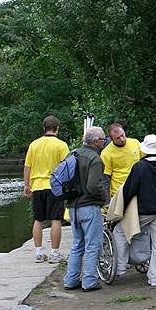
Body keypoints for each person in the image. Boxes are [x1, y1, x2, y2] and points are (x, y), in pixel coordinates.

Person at [118, 134, 156, 287]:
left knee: (120, 230)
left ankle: (120, 266)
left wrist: (122, 210)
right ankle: (155, 278)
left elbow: (129, 190)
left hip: (143, 210)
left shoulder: (140, 166)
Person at [63, 126, 107, 292]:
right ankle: (89, 281)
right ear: (96, 142)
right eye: (103, 140)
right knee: (93, 245)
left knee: (77, 245)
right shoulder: (95, 159)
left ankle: (71, 279)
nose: (104, 142)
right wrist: (103, 199)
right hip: (89, 206)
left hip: (73, 207)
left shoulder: (74, 154)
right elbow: (94, 186)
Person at [23, 115, 70, 264]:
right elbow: (67, 166)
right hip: (54, 186)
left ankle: (38, 252)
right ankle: (54, 253)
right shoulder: (61, 145)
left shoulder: (34, 144)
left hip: (37, 186)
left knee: (38, 219)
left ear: (44, 128)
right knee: (55, 219)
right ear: (57, 128)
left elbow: (27, 166)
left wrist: (26, 185)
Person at [101, 122, 142, 201]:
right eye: (117, 138)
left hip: (138, 189)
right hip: (119, 192)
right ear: (111, 139)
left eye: (122, 135)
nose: (122, 139)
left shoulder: (135, 143)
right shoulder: (106, 153)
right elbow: (105, 178)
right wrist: (106, 201)